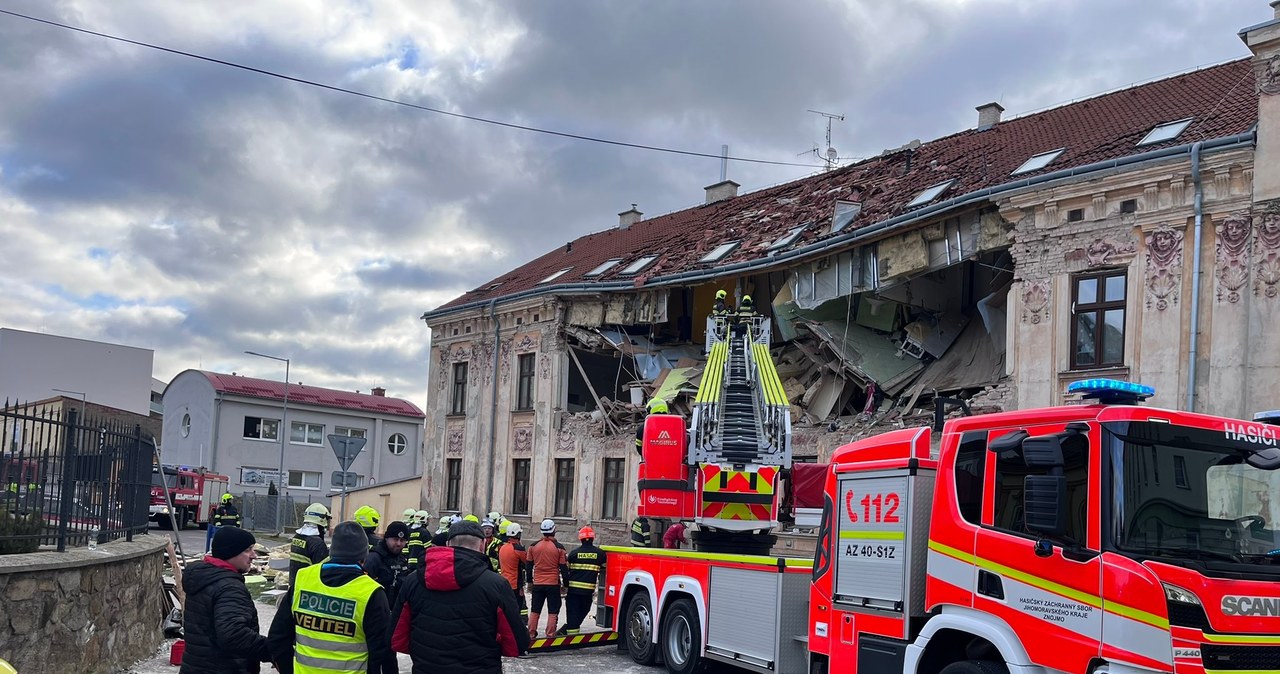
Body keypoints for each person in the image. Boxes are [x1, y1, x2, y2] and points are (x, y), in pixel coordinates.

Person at [391, 519, 530, 673]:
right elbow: (518, 643)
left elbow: (397, 636)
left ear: (448, 544)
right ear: (483, 545)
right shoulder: (496, 585)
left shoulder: (413, 581)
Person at [268, 522, 398, 674]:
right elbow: (382, 654)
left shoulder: (303, 579)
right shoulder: (371, 592)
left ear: (332, 551)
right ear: (364, 556)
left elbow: (277, 639)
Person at [181, 526, 273, 674]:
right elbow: (233, 635)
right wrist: (273, 650)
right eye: (248, 550)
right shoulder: (229, 588)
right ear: (231, 552)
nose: (254, 555)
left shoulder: (203, 577)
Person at [558, 526, 607, 635]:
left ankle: (570, 636)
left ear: (580, 539)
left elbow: (567, 570)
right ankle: (569, 633)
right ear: (593, 538)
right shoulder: (600, 554)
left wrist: (565, 585)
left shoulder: (573, 554)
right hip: (587, 592)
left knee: (572, 616)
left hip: (573, 591)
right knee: (582, 612)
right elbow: (605, 567)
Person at [525, 518, 568, 639]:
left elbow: (528, 566)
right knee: (553, 610)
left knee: (535, 609)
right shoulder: (559, 547)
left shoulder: (533, 547)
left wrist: (529, 582)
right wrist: (566, 584)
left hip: (538, 583)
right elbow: (563, 568)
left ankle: (531, 633)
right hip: (553, 583)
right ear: (554, 530)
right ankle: (550, 634)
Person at [365, 521, 411, 608]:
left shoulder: (402, 560)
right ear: (386, 538)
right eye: (395, 539)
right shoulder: (374, 558)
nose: (398, 544)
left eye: (402, 540)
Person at [288, 503, 331, 587]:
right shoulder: (317, 543)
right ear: (322, 519)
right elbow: (324, 571)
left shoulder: (297, 537)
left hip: (295, 586)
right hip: (309, 589)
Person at [497, 522, 528, 622]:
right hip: (515, 585)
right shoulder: (517, 548)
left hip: (503, 582)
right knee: (516, 610)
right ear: (518, 535)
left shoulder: (502, 548)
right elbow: (527, 561)